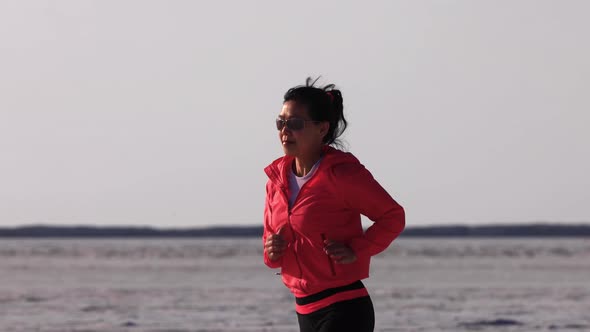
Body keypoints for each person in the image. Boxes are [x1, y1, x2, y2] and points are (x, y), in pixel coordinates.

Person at [262, 77, 405, 332]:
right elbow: (271, 248)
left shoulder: (342, 175)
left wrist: (357, 249)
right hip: (305, 310)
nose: (285, 130)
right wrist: (272, 251)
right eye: (280, 123)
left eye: (295, 123)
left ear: (321, 128)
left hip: (345, 307)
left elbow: (392, 216)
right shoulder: (276, 180)